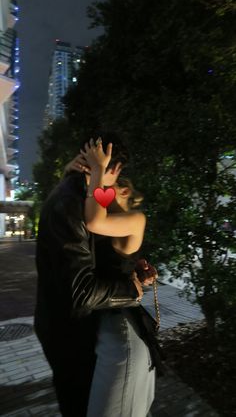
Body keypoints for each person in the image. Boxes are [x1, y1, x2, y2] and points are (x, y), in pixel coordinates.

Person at [34, 132, 156, 417]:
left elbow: (96, 232)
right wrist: (131, 287)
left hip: (99, 326)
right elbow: (94, 224)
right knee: (83, 403)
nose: (116, 193)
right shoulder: (79, 202)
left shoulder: (104, 207)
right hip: (77, 329)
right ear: (115, 170)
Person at [75, 138, 160, 417]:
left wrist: (99, 172)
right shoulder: (102, 216)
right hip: (103, 327)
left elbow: (94, 221)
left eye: (113, 182)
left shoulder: (136, 219)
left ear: (123, 189)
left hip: (121, 331)